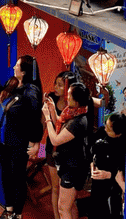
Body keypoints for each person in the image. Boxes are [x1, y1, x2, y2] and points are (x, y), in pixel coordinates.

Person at [0, 55, 43, 219]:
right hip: (4, 140)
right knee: (6, 175)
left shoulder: (31, 91)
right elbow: (2, 99)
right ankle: (9, 210)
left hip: (19, 142)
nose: (14, 67)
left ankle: (18, 214)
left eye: (17, 65)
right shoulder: (13, 83)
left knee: (18, 178)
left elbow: (36, 117)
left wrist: (35, 142)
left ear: (25, 71)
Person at [43, 81, 91, 219]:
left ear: (76, 100)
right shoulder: (71, 113)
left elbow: (56, 139)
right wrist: (52, 110)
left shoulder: (79, 121)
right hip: (62, 160)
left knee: (63, 207)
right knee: (68, 203)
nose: (66, 96)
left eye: (69, 94)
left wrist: (47, 118)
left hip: (71, 166)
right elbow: (61, 123)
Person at [44, 71, 78, 219]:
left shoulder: (76, 106)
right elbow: (45, 126)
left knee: (69, 192)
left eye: (60, 85)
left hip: (68, 153)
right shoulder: (50, 98)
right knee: (55, 187)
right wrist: (35, 146)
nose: (55, 87)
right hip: (51, 149)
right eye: (55, 84)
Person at [87, 113, 126, 219]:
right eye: (106, 124)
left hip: (112, 189)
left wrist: (109, 175)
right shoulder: (101, 132)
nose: (105, 129)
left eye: (109, 129)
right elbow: (90, 150)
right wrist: (92, 164)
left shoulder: (124, 146)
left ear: (119, 134)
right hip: (96, 183)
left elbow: (124, 171)